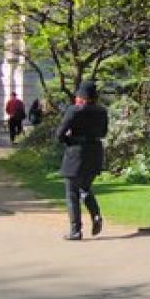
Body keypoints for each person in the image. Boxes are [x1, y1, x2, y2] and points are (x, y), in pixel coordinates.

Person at [55, 82, 108, 241]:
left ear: (82, 97)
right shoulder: (102, 111)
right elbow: (103, 133)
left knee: (71, 192)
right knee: (85, 187)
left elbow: (59, 134)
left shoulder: (74, 110)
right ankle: (96, 214)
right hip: (95, 153)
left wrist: (69, 139)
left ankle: (75, 230)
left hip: (76, 153)